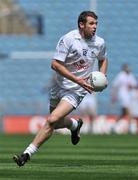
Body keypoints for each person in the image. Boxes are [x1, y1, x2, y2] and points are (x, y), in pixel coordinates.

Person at [13, 11, 108, 167]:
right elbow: (55, 64)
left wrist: (102, 77)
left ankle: (26, 154)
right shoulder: (69, 39)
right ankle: (74, 125)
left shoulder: (99, 43)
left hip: (77, 90)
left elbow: (103, 59)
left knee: (52, 120)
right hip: (59, 86)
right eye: (91, 23)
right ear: (81, 24)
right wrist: (76, 78)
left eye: (96, 23)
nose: (95, 27)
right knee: (55, 123)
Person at [111, 64, 137, 132]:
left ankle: (113, 126)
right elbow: (114, 86)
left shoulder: (130, 75)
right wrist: (113, 96)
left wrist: (132, 86)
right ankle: (131, 128)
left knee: (123, 113)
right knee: (129, 111)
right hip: (122, 95)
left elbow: (135, 85)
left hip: (129, 96)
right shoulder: (120, 75)